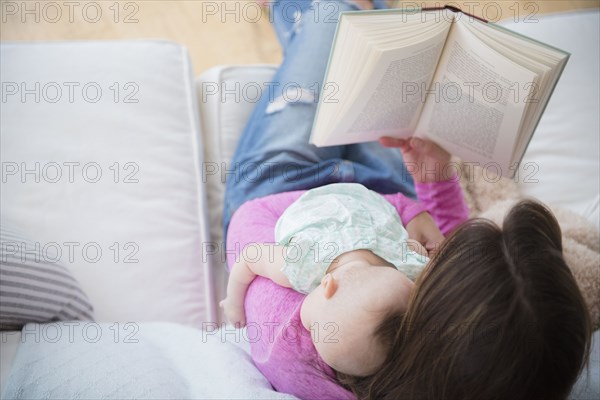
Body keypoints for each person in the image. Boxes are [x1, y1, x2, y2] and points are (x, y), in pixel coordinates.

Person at [222, 1, 592, 399]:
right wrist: (432, 174)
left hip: (280, 194)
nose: (436, 253)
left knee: (333, 26)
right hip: (382, 196)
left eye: (440, 266)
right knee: (376, 70)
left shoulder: (313, 340)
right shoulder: (453, 329)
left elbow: (250, 235)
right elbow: (441, 234)